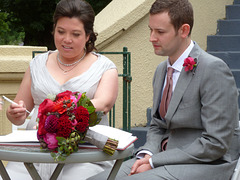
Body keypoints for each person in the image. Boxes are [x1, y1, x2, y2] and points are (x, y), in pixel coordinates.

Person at [89, 0, 240, 179]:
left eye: (160, 32)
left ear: (183, 30)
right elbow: (157, 125)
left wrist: (155, 162)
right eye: (150, 30)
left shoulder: (213, 69)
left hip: (207, 163)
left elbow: (215, 143)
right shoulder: (162, 70)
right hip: (162, 157)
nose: (152, 38)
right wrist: (147, 154)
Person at [5, 0, 118, 179]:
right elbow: (19, 113)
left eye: (75, 34)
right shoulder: (37, 64)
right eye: (61, 31)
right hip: (35, 151)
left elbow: (103, 104)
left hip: (82, 154)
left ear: (88, 35)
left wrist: (59, 112)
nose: (67, 39)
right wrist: (14, 113)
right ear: (54, 30)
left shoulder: (105, 67)